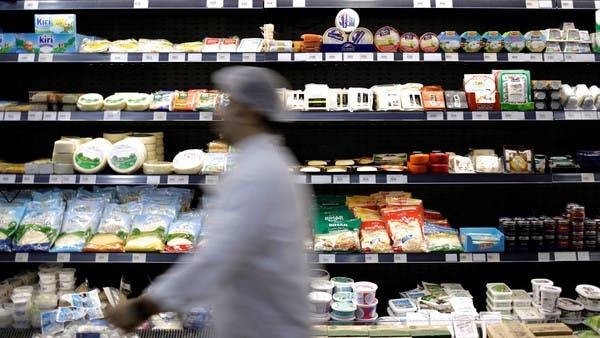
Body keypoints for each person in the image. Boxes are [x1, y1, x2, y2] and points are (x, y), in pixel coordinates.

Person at [108, 66, 312, 338]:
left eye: (228, 102)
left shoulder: (258, 173)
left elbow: (217, 256)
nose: (220, 111)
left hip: (265, 327)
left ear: (249, 111)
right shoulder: (263, 162)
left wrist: (144, 306)